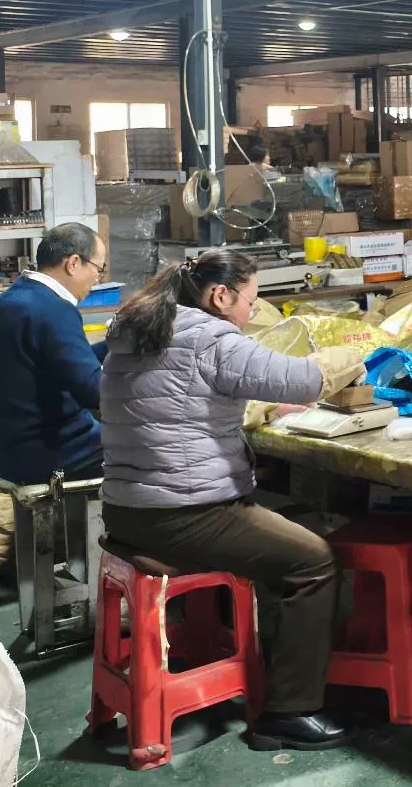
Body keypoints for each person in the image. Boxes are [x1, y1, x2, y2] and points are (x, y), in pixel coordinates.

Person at [99, 250, 345, 753]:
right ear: (220, 295)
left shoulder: (137, 330)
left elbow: (184, 398)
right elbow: (306, 380)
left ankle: (237, 653)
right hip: (184, 514)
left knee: (278, 529)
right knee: (313, 559)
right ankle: (289, 713)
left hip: (126, 509)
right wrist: (358, 356)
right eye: (250, 302)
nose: (250, 314)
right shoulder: (210, 337)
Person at [0, 222, 108, 484]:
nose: (97, 280)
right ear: (74, 263)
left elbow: (62, 363)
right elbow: (94, 392)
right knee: (152, 450)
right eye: (98, 269)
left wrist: (114, 344)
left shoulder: (10, 299)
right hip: (55, 452)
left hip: (11, 451)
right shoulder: (54, 309)